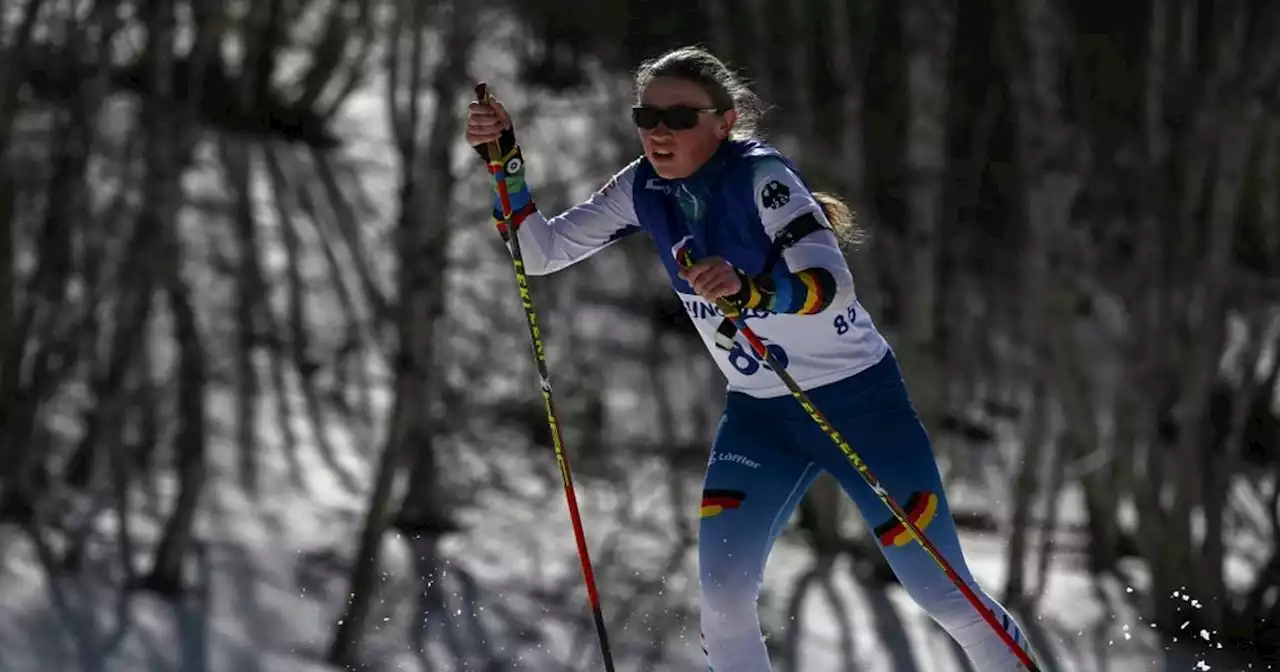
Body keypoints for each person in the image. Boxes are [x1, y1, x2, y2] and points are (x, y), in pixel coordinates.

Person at [465, 46, 1039, 672]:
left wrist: (752, 290)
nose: (659, 132)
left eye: (680, 118)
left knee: (942, 593)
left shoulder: (762, 178)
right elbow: (540, 253)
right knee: (724, 598)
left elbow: (831, 284)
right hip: (761, 418)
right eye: (646, 116)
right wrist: (507, 165)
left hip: (862, 407)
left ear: (725, 121)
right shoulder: (642, 187)